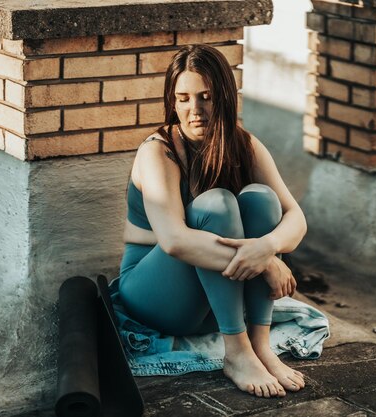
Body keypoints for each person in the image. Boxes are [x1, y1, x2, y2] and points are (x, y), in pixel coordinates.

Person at [118, 44, 308, 398]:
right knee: (217, 205)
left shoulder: (243, 144)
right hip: (155, 292)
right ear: (172, 102)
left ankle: (258, 344)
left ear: (223, 97)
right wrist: (266, 263)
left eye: (205, 97)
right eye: (184, 98)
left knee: (261, 199)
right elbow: (174, 241)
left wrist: (267, 246)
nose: (195, 111)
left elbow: (295, 218)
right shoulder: (158, 150)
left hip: (214, 300)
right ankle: (236, 354)